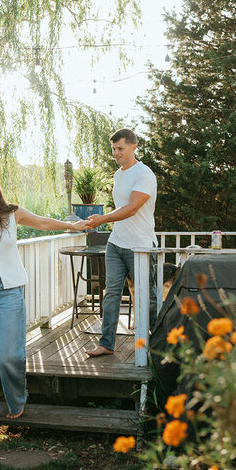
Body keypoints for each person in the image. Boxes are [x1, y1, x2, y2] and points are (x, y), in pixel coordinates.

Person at [0, 172, 86, 455]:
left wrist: (73, 226)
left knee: (8, 355)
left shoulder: (12, 215)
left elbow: (44, 223)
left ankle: (17, 399)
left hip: (9, 291)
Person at [84, 128, 158, 357]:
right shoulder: (119, 175)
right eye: (114, 149)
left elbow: (133, 208)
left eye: (120, 148)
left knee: (148, 295)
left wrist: (104, 218)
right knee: (112, 293)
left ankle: (158, 343)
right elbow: (121, 208)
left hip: (141, 245)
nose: (116, 153)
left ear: (134, 147)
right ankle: (106, 344)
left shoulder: (144, 174)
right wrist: (106, 221)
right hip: (116, 243)